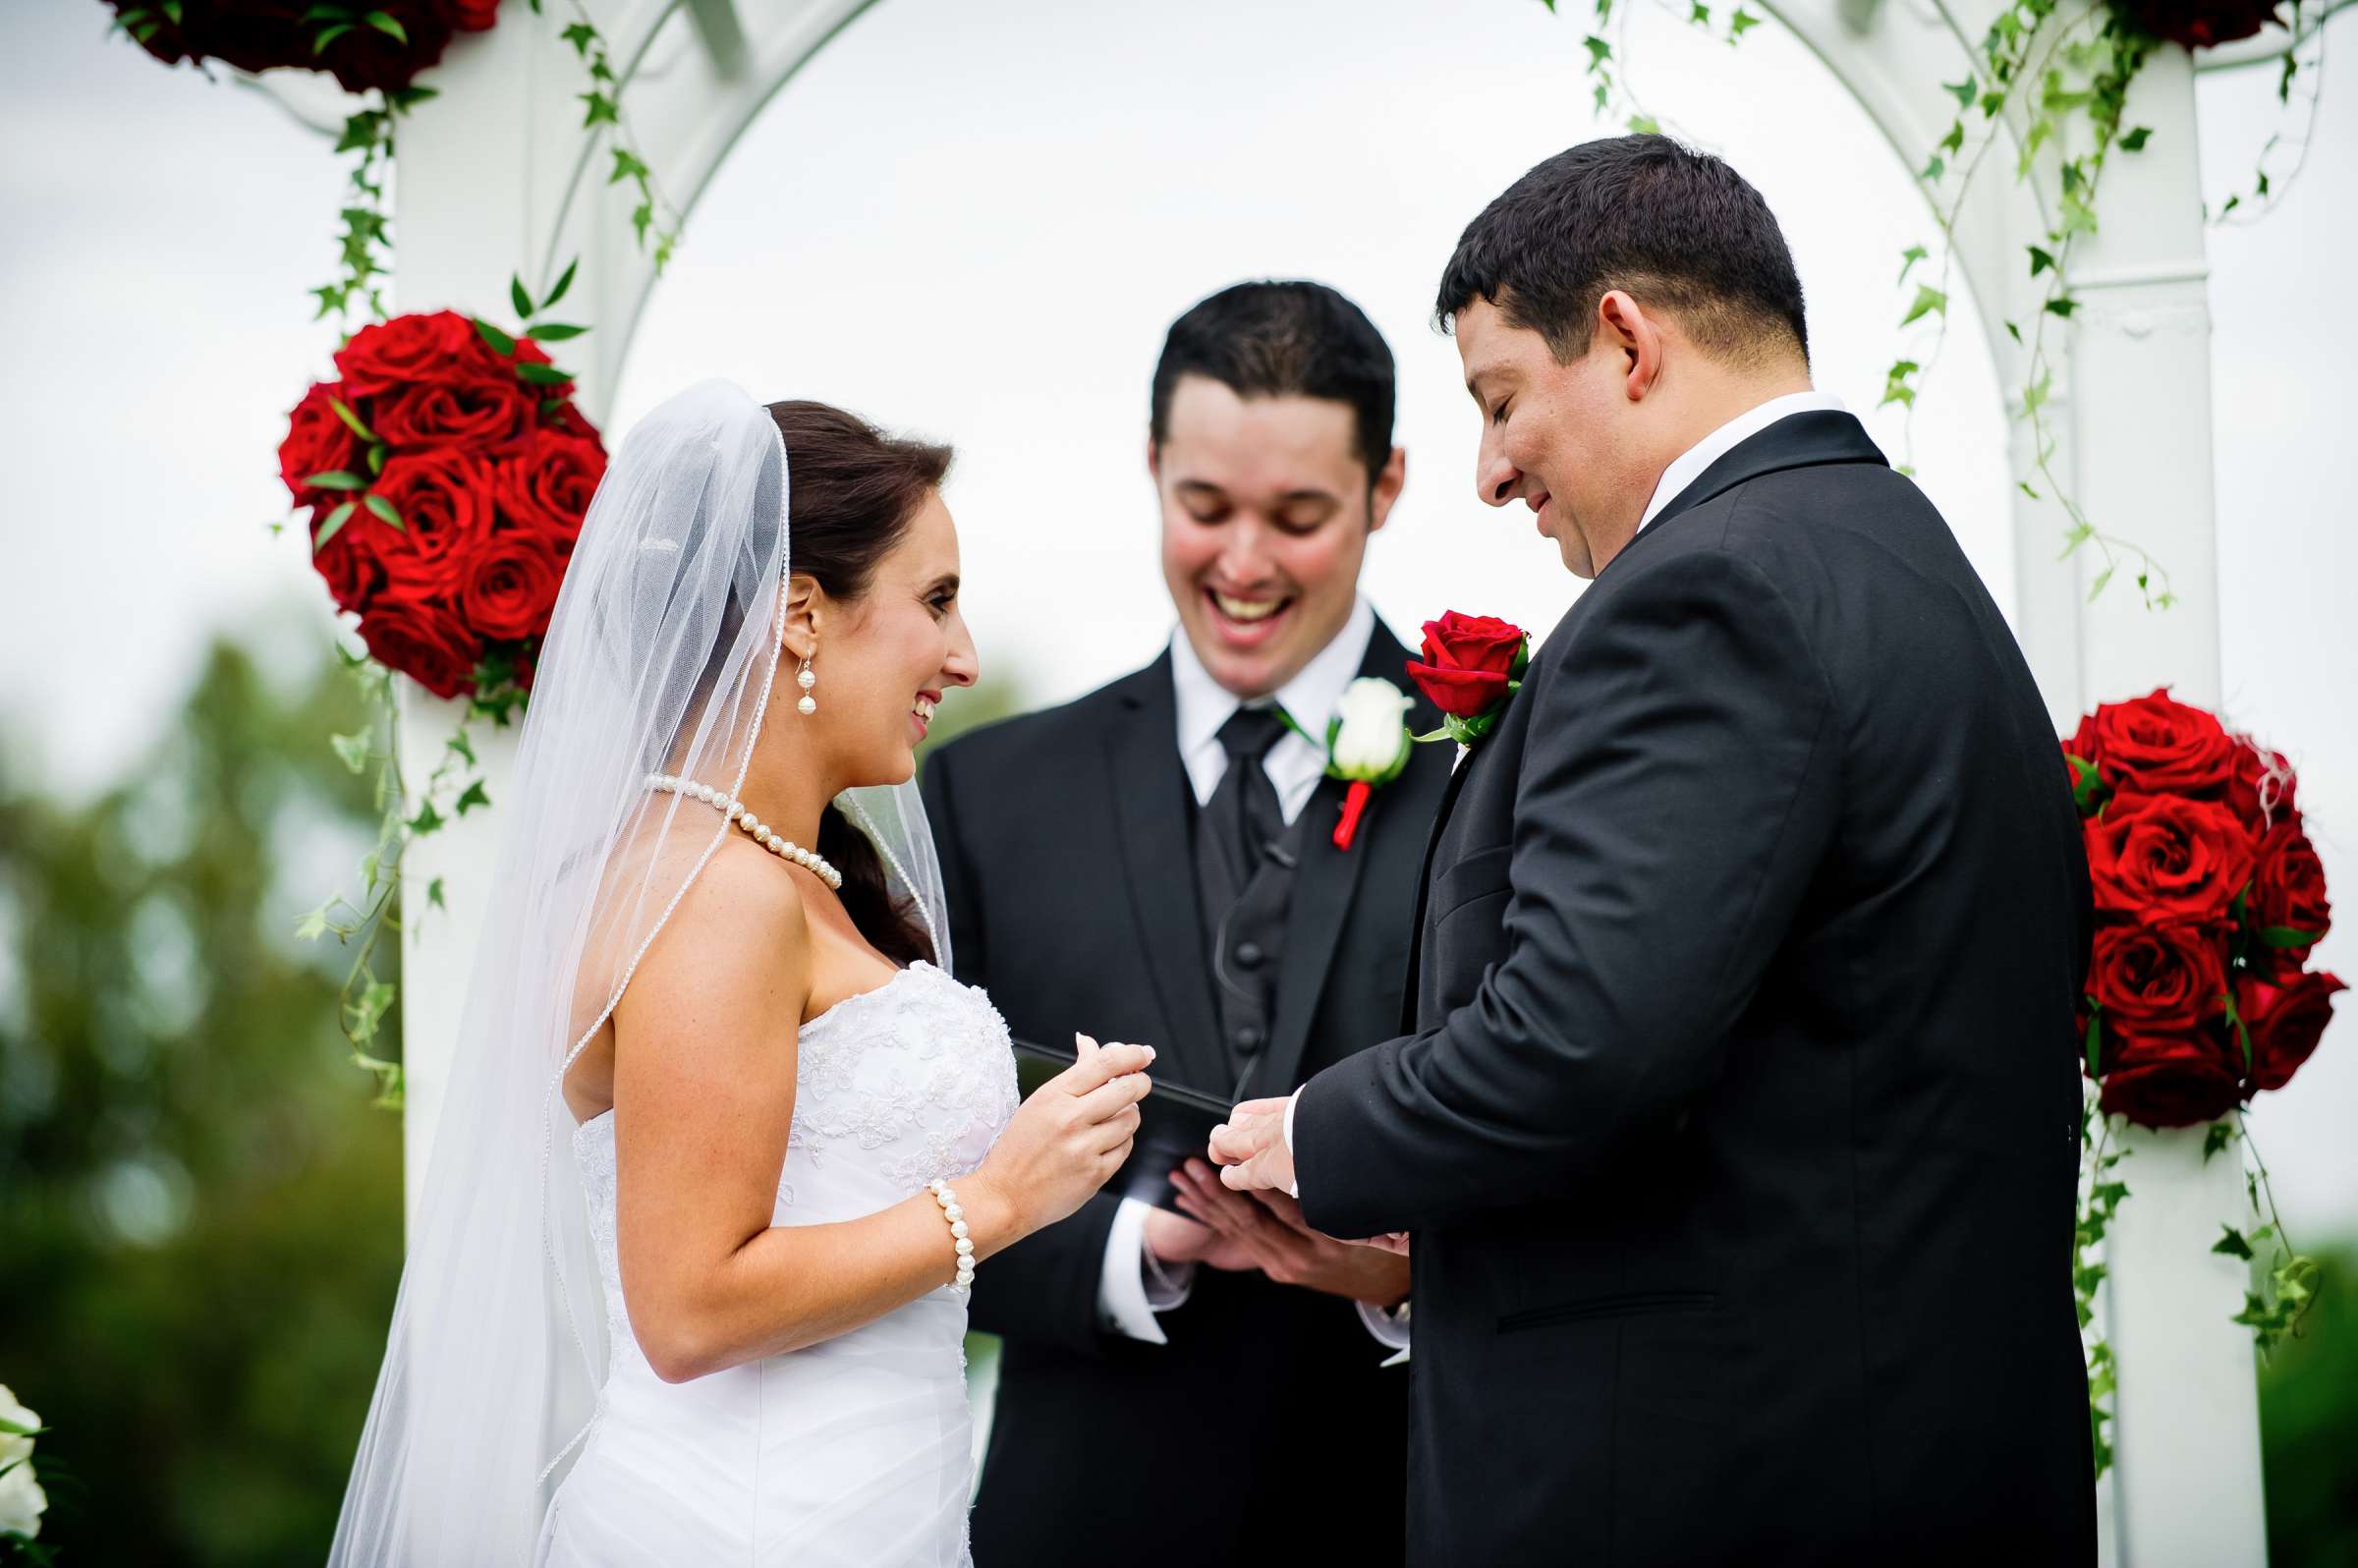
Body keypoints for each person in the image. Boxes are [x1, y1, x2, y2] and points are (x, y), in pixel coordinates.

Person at [1213, 137, 2096, 1565]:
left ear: (1624, 339)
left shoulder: (1701, 598)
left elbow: (1578, 1040)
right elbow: (1801, 1115)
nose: (1493, 473)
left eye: (1500, 401)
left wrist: (1319, 1132)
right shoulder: (1902, 565)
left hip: (1719, 1495)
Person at [330, 381, 1153, 1567]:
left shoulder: (781, 872)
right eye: (935, 601)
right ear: (802, 614)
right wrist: (1006, 1198)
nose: (964, 656)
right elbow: (691, 1305)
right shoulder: (713, 896)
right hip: (751, 1527)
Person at [923, 282, 1455, 1566]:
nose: (1244, 563)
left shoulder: (1505, 759)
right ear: (1154, 467)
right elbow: (891, 1177)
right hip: (1084, 1513)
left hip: (1411, 1511)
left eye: (1300, 516)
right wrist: (1128, 1249)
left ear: (1385, 487)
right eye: (1205, 508)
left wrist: (1410, 1280)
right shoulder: (990, 791)